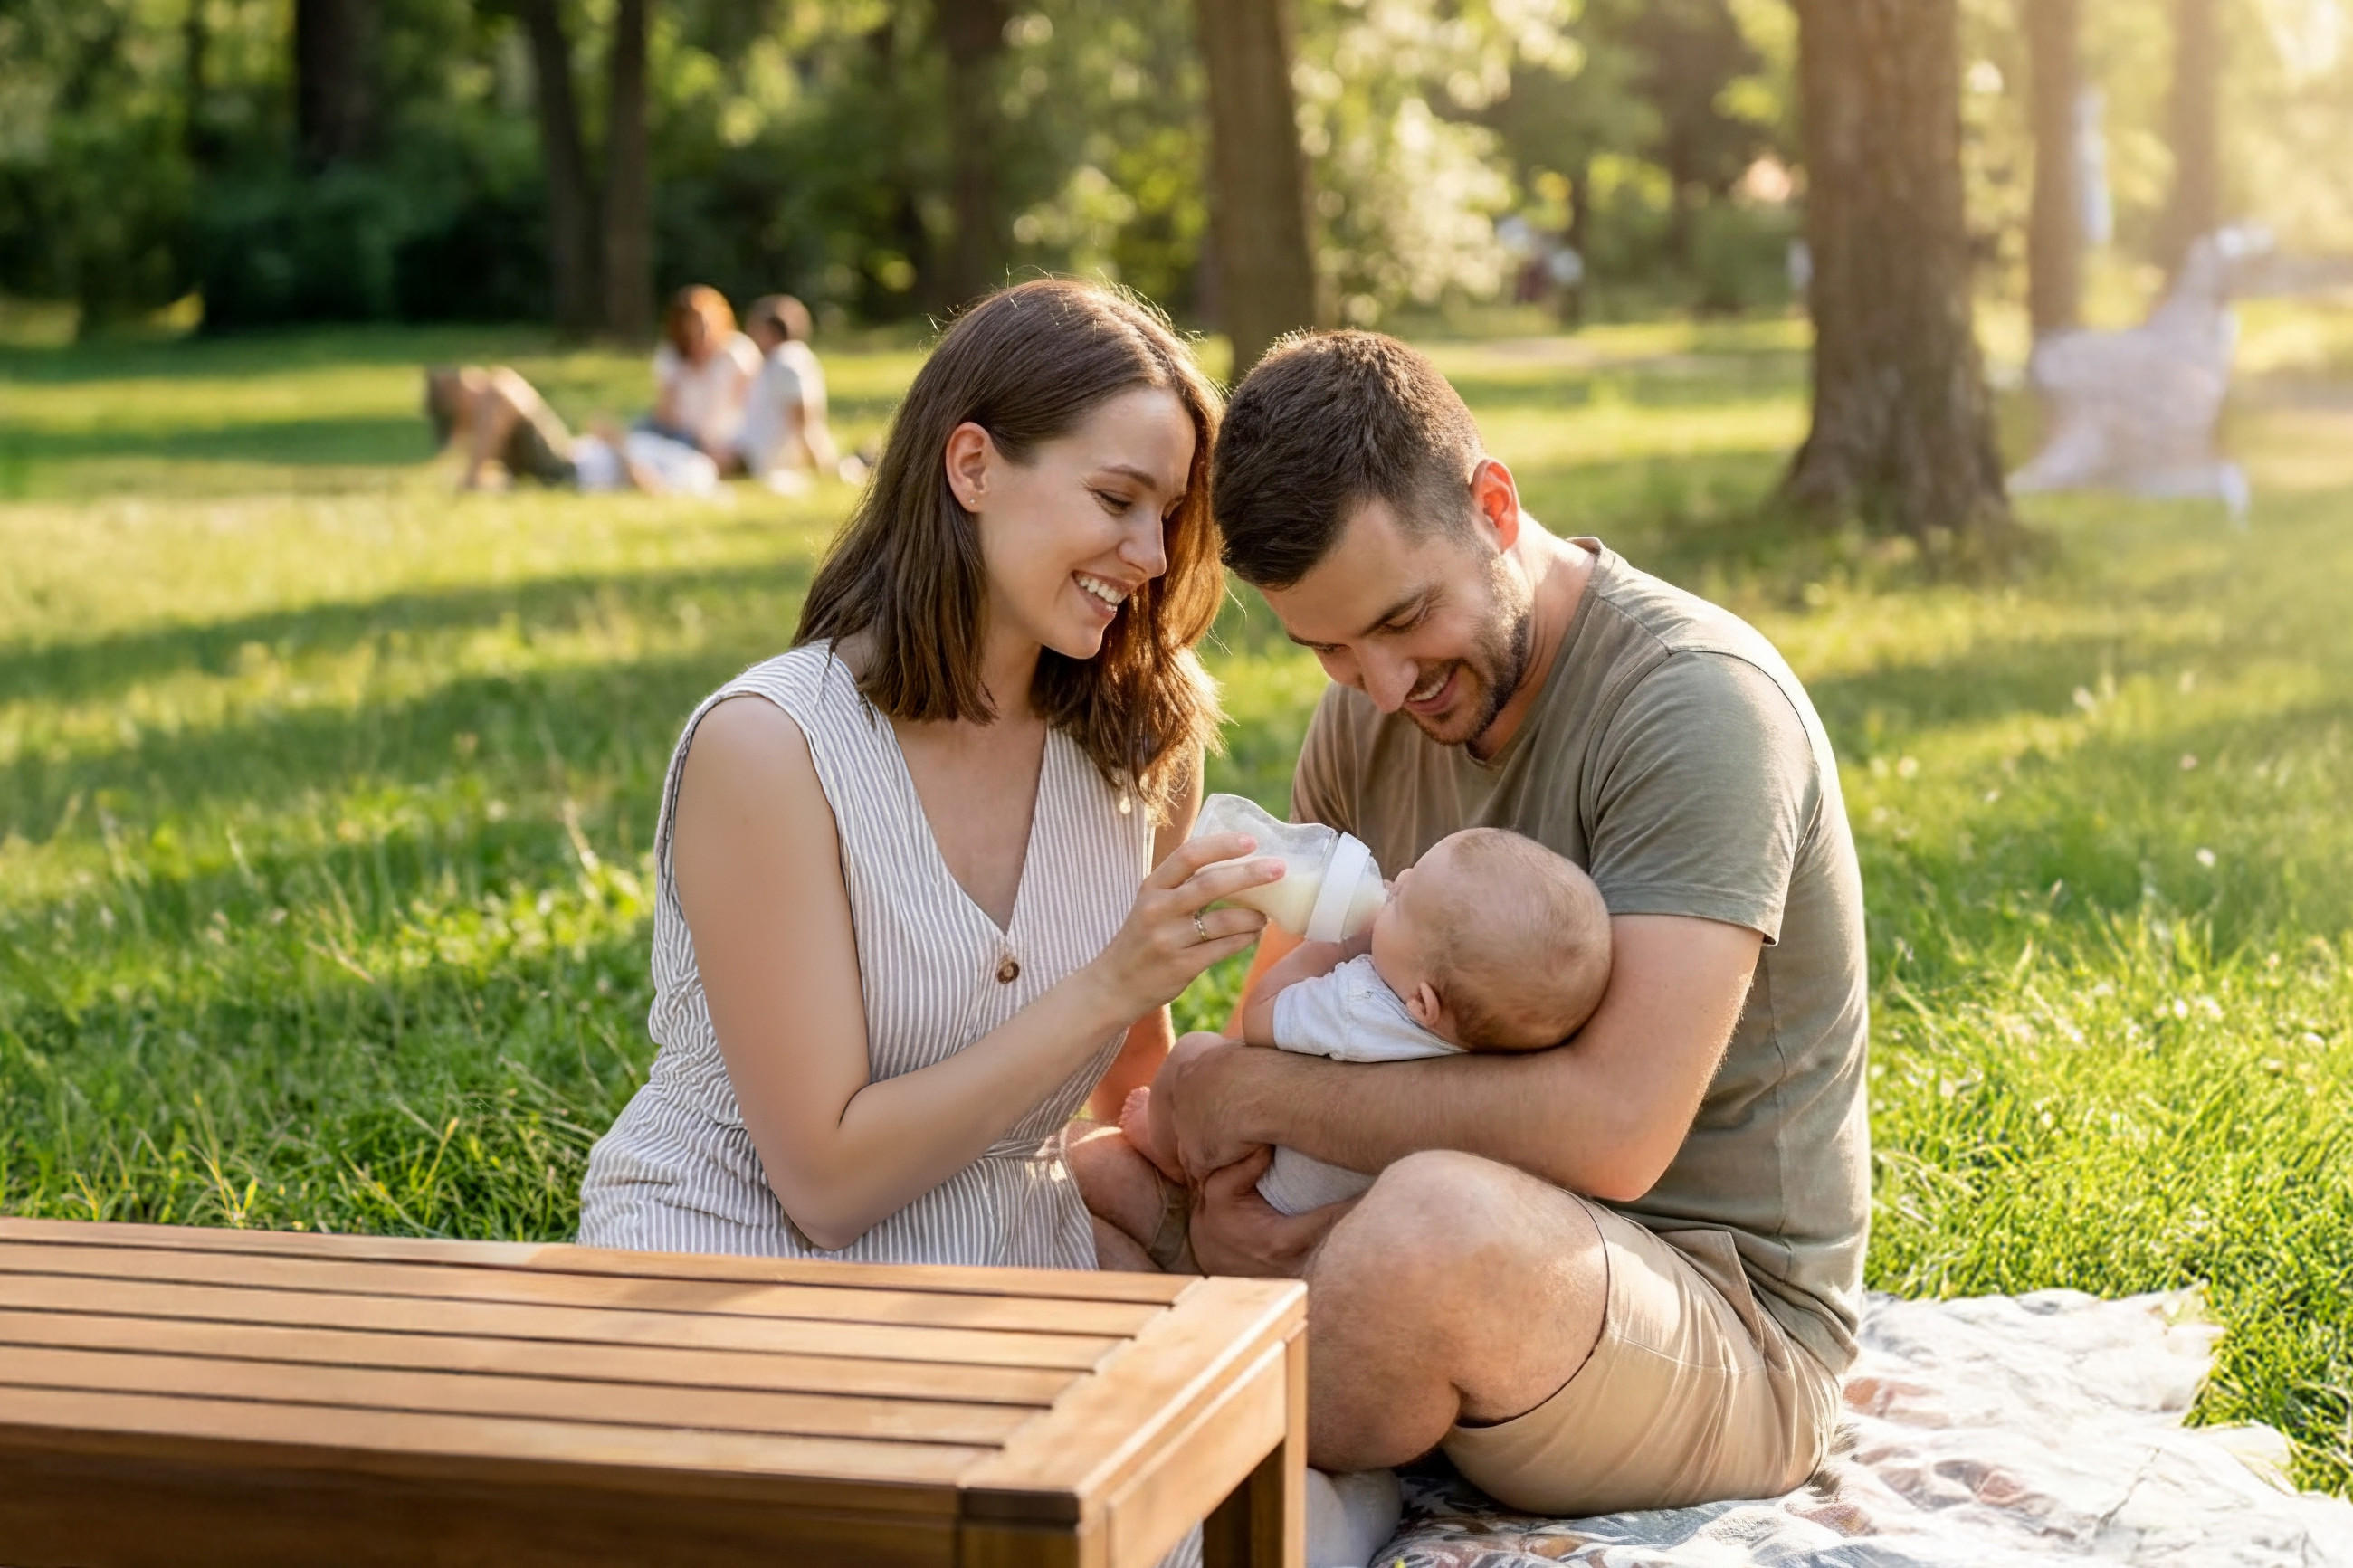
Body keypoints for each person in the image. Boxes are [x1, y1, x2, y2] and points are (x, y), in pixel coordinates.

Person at [1089, 330, 1870, 1524]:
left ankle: (1287, 1471)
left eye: (1405, 620)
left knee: (1431, 1231)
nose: (1386, 684)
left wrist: (1255, 1106)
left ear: (1494, 505)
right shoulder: (1362, 725)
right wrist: (1249, 1190)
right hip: (1394, 1243)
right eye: (1332, 648)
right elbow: (1274, 1028)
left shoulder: (1696, 709)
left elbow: (1614, 1135)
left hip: (1706, 1316)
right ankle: (1288, 1424)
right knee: (1066, 1184)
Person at [574, 280, 1284, 1282]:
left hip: (998, 1286)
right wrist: (1112, 981)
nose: (1149, 554)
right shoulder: (771, 749)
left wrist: (1250, 1158)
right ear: (972, 466)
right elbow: (824, 1184)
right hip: (724, 1274)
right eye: (1116, 499)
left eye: (1167, 514)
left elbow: (1129, 1080)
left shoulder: (1140, 743)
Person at [1096, 826, 1610, 1259]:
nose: (1397, 880)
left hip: (1272, 1194)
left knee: (1195, 1052)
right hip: (1356, 1227)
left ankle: (1163, 1148)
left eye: (1403, 901)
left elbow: (1260, 1016)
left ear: (1423, 1003)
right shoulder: (1491, 1053)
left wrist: (1334, 941)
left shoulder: (1360, 1006)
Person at [423, 365, 721, 496]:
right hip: (577, 454)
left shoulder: (698, 469)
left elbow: (652, 490)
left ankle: (471, 464)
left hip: (571, 471)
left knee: (501, 386)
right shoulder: (686, 455)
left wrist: (619, 445)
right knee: (498, 387)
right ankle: (461, 409)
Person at [729, 293, 848, 488]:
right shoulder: (778, 361)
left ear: (770, 331)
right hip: (758, 454)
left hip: (768, 458)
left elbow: (804, 422)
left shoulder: (788, 362)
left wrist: (825, 468)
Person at [645, 285, 761, 460]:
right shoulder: (671, 356)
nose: (702, 332)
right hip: (683, 436)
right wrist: (695, 438)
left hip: (730, 437)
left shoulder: (737, 352)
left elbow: (753, 404)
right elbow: (665, 411)